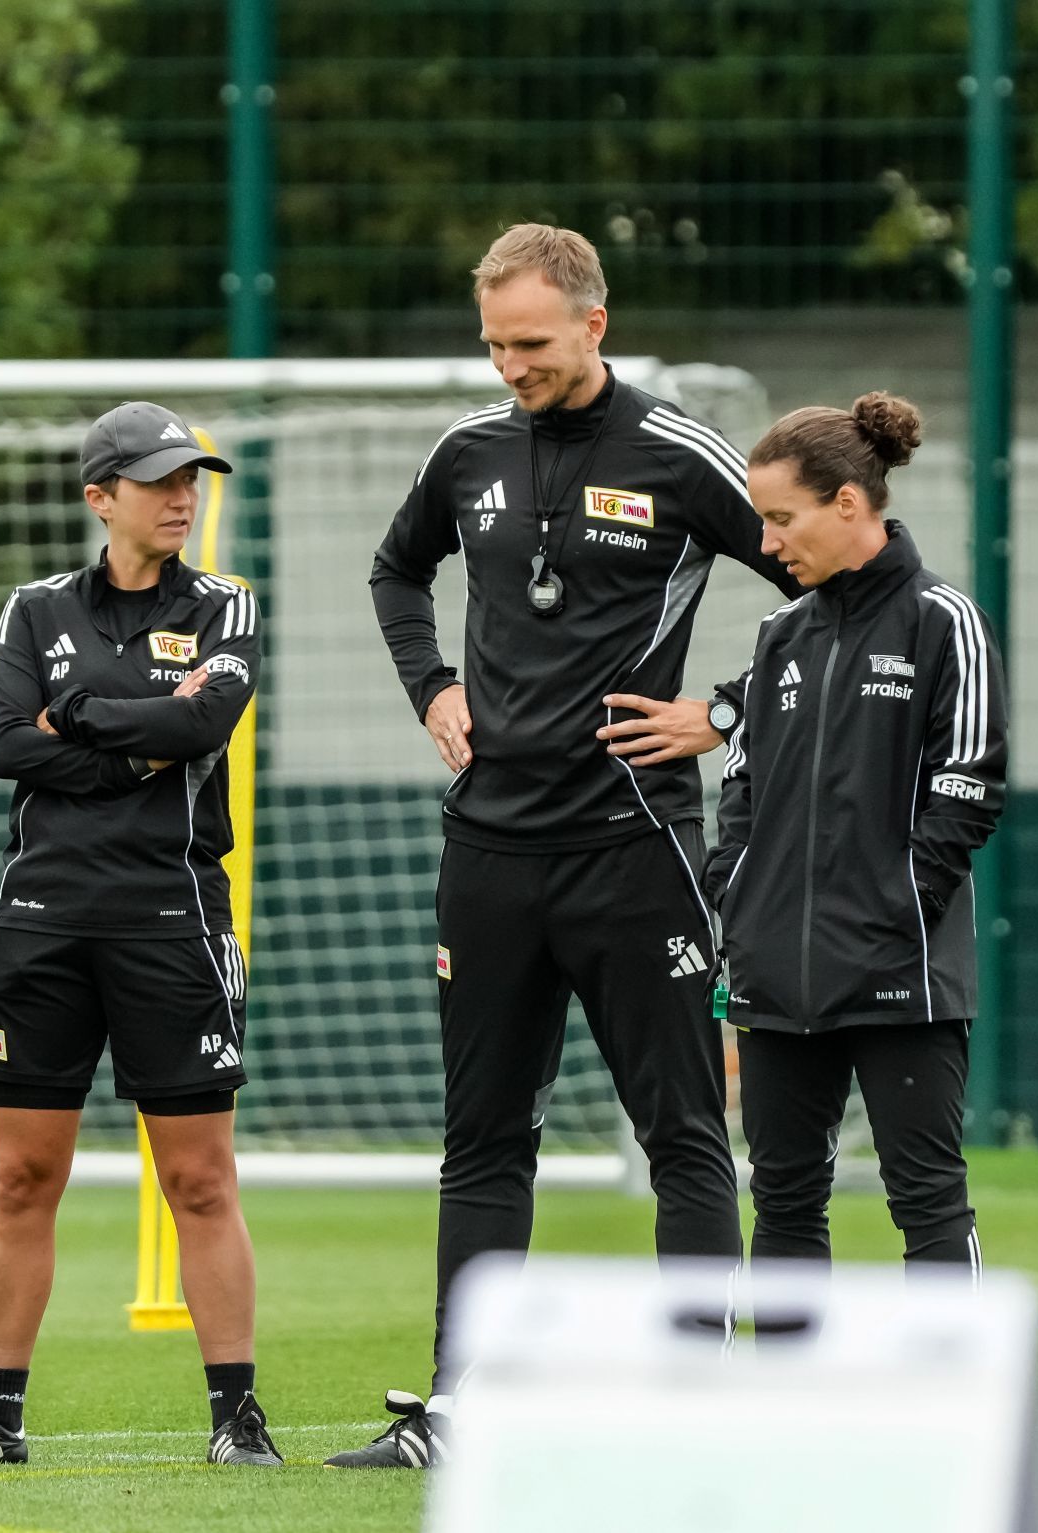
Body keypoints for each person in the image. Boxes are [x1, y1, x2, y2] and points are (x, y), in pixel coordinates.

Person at [330, 225, 804, 1470]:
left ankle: (700, 1408)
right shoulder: (466, 452)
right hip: (486, 851)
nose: (510, 366)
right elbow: (395, 571)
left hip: (632, 846)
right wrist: (431, 686)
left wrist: (724, 713)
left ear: (595, 323)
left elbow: (829, 591)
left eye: (530, 343)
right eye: (493, 344)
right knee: (483, 1139)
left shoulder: (681, 454)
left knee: (681, 1135)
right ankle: (455, 1409)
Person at [0, 401, 281, 1469]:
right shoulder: (34, 610)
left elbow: (202, 723)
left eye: (191, 478)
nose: (182, 497)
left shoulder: (225, 605)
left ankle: (237, 1421)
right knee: (20, 1178)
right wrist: (138, 739)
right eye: (160, 480)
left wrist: (78, 716)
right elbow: (5, 747)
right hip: (40, 924)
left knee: (198, 1180)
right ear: (100, 497)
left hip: (172, 923)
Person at [707, 392, 1006, 1274]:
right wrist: (740, 899)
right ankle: (790, 1372)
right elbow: (740, 787)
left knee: (926, 1196)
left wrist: (898, 905)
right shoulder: (778, 636)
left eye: (780, 519)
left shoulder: (944, 621)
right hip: (776, 972)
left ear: (846, 502)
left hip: (898, 968)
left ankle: (954, 1373)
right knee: (784, 1199)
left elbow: (969, 786)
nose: (768, 544)